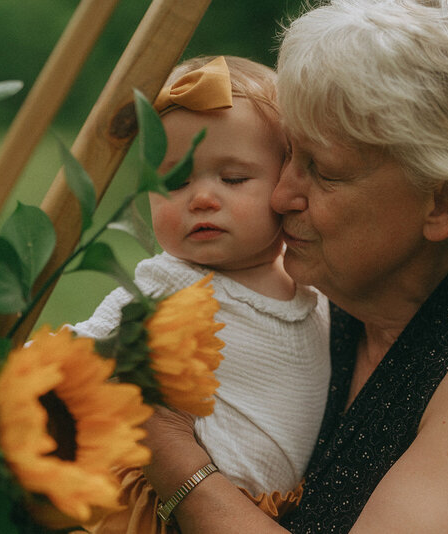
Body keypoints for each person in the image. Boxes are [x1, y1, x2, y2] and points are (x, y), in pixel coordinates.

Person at [141, 1, 448, 532]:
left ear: (444, 203)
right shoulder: (310, 306)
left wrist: (173, 459)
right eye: (287, 158)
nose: (280, 196)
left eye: (323, 171)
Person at [72, 55, 331, 532]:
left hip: (263, 514)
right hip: (166, 510)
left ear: (287, 180)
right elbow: (86, 348)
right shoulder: (170, 283)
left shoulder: (317, 288)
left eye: (232, 179)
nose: (202, 198)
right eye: (174, 181)